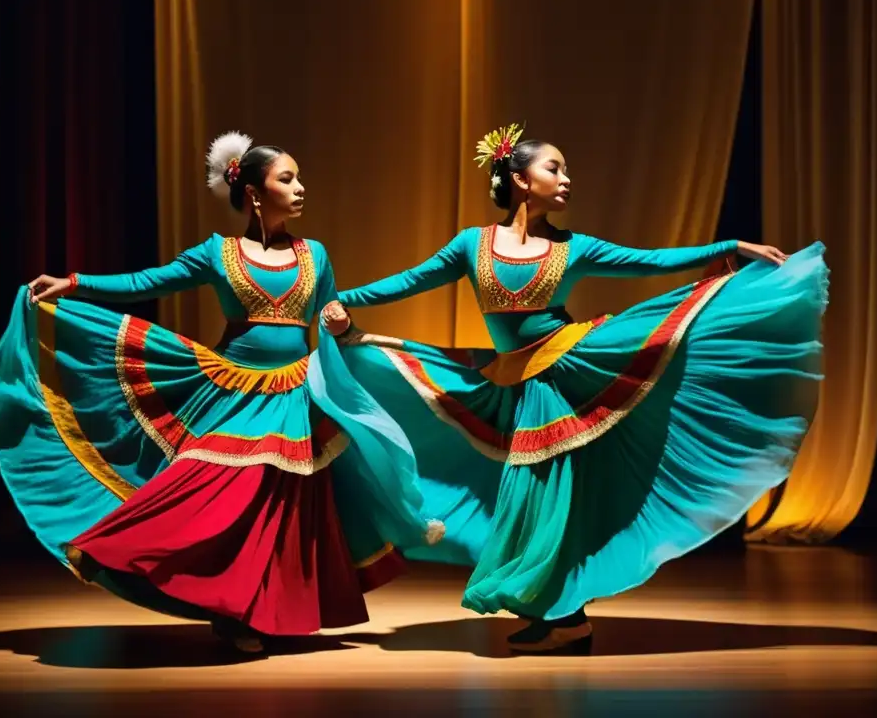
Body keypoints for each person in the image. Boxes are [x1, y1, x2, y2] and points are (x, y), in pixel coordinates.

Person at [321, 123, 828, 654]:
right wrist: (338, 299)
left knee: (551, 497)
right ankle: (555, 613)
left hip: (567, 374)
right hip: (520, 379)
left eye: (565, 170)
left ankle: (568, 621)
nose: (566, 179)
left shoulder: (572, 247)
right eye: (553, 168)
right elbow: (409, 281)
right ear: (519, 178)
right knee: (536, 499)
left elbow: (650, 260)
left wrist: (731, 244)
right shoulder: (473, 244)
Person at [0, 131, 443, 655]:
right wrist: (74, 282)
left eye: (298, 179)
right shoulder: (219, 253)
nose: (300, 189)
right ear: (253, 191)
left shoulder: (315, 254)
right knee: (220, 491)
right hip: (234, 386)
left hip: (296, 389)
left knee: (284, 505)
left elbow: (333, 318)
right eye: (286, 179)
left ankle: (259, 612)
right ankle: (117, 549)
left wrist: (341, 324)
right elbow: (145, 283)